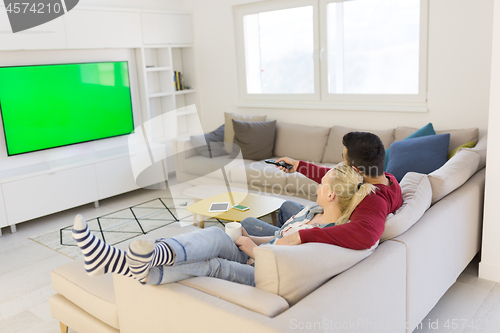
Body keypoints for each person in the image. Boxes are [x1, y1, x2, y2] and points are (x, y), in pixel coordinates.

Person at [72, 164, 375, 287]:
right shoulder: (312, 211)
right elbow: (282, 236)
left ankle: (123, 264)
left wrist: (252, 250)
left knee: (214, 264)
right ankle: (142, 260)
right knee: (216, 233)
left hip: (263, 269)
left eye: (322, 183)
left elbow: (290, 263)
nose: (318, 185)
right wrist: (252, 241)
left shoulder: (327, 234)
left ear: (332, 193)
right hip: (258, 253)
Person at [240, 131, 403, 250]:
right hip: (333, 215)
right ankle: (281, 234)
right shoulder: (388, 179)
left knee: (248, 224)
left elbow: (366, 234)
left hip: (328, 225)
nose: (341, 161)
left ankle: (271, 246)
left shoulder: (374, 201)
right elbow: (337, 180)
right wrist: (298, 166)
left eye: (343, 158)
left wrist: (300, 237)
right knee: (287, 206)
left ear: (355, 169)